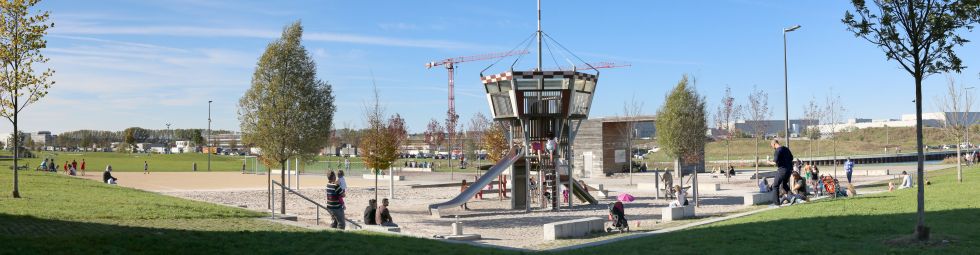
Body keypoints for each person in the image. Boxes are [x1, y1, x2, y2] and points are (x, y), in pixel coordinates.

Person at [770, 139, 794, 207]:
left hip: (782, 170)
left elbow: (774, 163)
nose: (772, 147)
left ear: (774, 144)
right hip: (789, 170)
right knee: (784, 185)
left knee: (775, 185)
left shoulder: (777, 150)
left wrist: (768, 162)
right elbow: (791, 158)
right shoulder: (786, 148)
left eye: (772, 146)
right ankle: (792, 197)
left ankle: (776, 203)